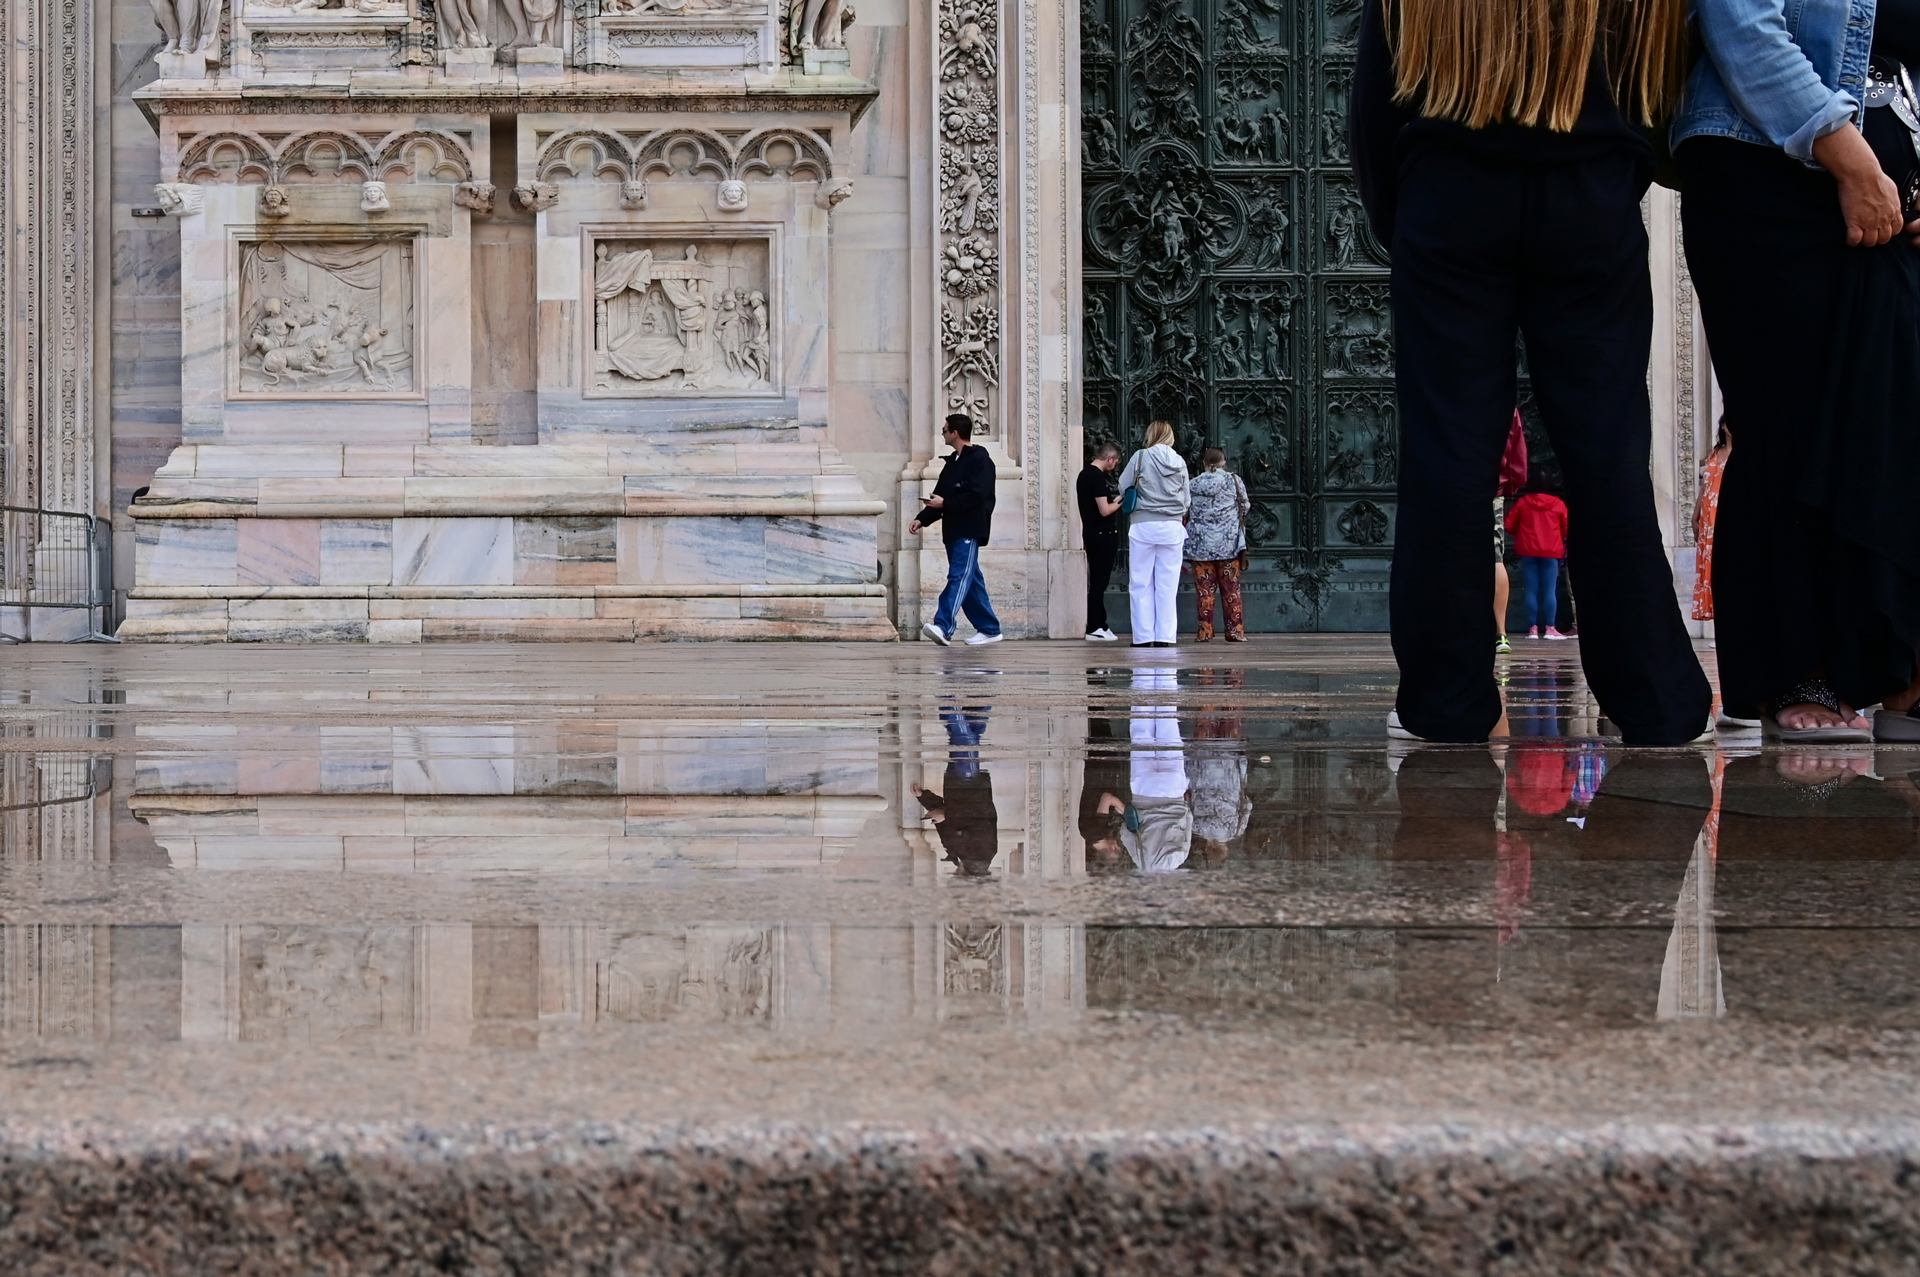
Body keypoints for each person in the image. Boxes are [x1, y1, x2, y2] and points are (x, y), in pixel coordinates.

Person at [1351, 0, 1711, 745]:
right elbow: (1657, 88)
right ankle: (1655, 698)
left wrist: (1407, 216)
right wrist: (1612, 171)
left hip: (1448, 188)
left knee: (1448, 454)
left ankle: (1445, 699)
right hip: (1589, 190)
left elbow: (1372, 104)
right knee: (1607, 447)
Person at [1673, 0, 1920, 743]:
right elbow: (1740, 23)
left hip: (1890, 187)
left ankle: (1895, 667)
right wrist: (1849, 155)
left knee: (1894, 411)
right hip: (1764, 168)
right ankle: (1799, 669)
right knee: (1789, 420)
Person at [910, 413, 1003, 648]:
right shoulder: (952, 463)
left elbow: (978, 496)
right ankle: (989, 628)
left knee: (959, 576)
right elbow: (940, 496)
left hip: (969, 528)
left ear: (955, 433)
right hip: (952, 530)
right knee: (970, 580)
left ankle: (943, 625)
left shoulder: (980, 460)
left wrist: (946, 504)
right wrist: (922, 518)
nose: (942, 433)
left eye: (944, 430)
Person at [1116, 420, 1192, 648]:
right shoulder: (1179, 461)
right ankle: (1165, 637)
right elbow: (1187, 498)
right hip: (1172, 527)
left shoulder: (1141, 457)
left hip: (1143, 525)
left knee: (1140, 583)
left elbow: (1123, 485)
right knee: (1167, 585)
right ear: (1170, 436)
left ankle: (1143, 636)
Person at [912, 702, 1000, 877]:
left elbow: (944, 816)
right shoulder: (980, 855)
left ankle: (982, 698)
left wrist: (924, 797)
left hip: (959, 786)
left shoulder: (962, 855)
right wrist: (946, 816)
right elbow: (979, 817)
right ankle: (947, 699)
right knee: (962, 741)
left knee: (969, 739)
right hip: (968, 786)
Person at [1184, 448, 1251, 642]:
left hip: (1200, 547)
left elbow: (1185, 508)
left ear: (1204, 463)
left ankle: (1205, 631)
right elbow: (1245, 506)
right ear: (1223, 462)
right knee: (1231, 590)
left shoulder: (1193, 484)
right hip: (1228, 546)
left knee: (1205, 592)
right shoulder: (1234, 481)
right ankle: (1235, 631)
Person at [1506, 486, 1570, 639]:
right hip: (1551, 551)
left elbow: (1509, 525)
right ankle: (1550, 628)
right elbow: (1566, 528)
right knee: (1550, 590)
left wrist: (1522, 534)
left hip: (1528, 551)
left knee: (1530, 590)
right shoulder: (1558, 503)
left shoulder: (1523, 502)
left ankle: (1532, 629)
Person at [1077, 442, 1124, 641]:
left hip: (1091, 533)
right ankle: (1095, 626)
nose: (1114, 466)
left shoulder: (1083, 474)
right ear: (1110, 458)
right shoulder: (1096, 477)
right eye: (1115, 462)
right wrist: (1120, 501)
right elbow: (1104, 510)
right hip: (1102, 535)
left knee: (1097, 581)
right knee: (1099, 582)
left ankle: (1100, 624)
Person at [1495, 410, 1529, 655]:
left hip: (1450, 488)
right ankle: (1501, 633)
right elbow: (1518, 456)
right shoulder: (1504, 405)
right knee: (1495, 559)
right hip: (1490, 488)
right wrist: (1510, 483)